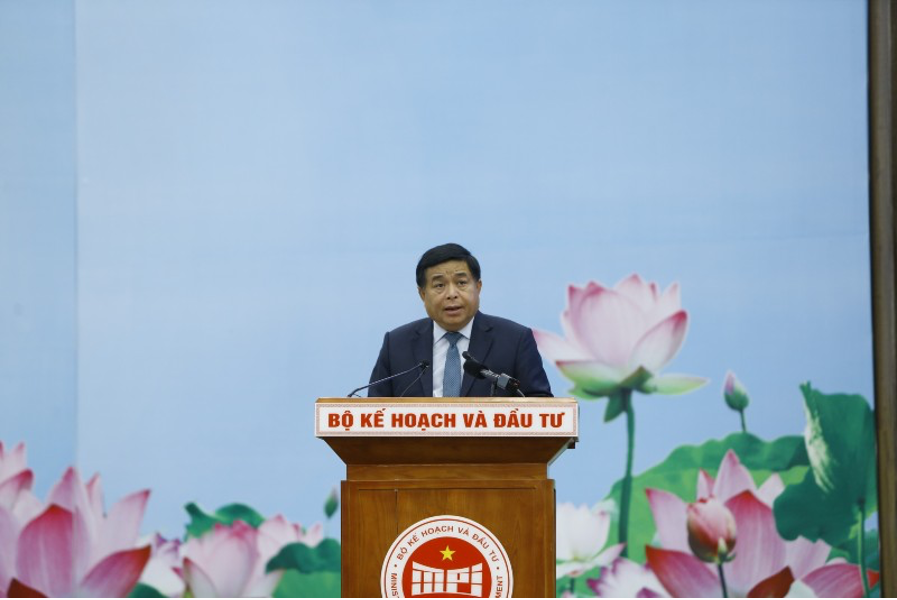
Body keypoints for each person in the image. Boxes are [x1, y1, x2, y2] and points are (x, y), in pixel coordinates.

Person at [367, 243, 552, 398]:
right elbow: (373, 412)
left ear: (478, 287)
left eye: (461, 283)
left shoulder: (515, 340)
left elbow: (542, 407)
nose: (451, 294)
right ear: (422, 294)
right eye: (439, 285)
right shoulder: (397, 345)